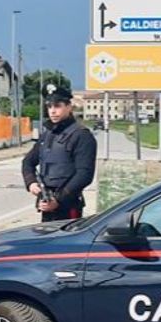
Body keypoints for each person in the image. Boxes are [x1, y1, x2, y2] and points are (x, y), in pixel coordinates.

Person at [22, 84, 97, 222]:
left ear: (69, 107)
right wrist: (31, 183)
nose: (52, 111)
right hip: (46, 202)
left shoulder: (81, 135)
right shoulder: (48, 134)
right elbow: (28, 162)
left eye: (57, 106)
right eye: (49, 107)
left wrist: (58, 200)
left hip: (68, 205)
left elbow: (85, 174)